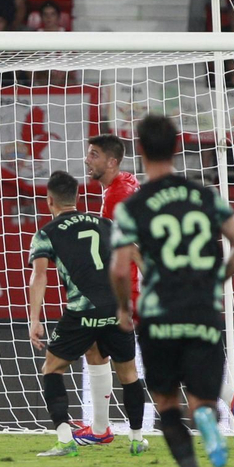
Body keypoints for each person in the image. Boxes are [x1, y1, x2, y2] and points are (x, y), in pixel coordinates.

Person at [110, 114, 234, 467]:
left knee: (167, 405)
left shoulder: (133, 205)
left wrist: (124, 309)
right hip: (203, 311)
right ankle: (207, 417)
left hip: (158, 314)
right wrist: (216, 281)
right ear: (178, 146)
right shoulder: (206, 195)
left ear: (139, 150)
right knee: (201, 400)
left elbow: (120, 268)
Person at [26, 171, 137, 458]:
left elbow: (40, 277)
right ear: (76, 197)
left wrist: (34, 320)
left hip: (82, 312)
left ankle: (65, 439)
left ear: (49, 200)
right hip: (115, 309)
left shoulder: (46, 232)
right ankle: (133, 437)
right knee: (124, 370)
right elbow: (137, 254)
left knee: (52, 369)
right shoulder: (105, 223)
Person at [77, 133, 157, 449]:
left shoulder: (116, 197)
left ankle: (232, 398)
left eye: (94, 154)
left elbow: (133, 246)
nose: (87, 159)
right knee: (96, 348)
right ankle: (101, 428)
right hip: (129, 286)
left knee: (157, 359)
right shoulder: (124, 183)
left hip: (132, 289)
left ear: (112, 161)